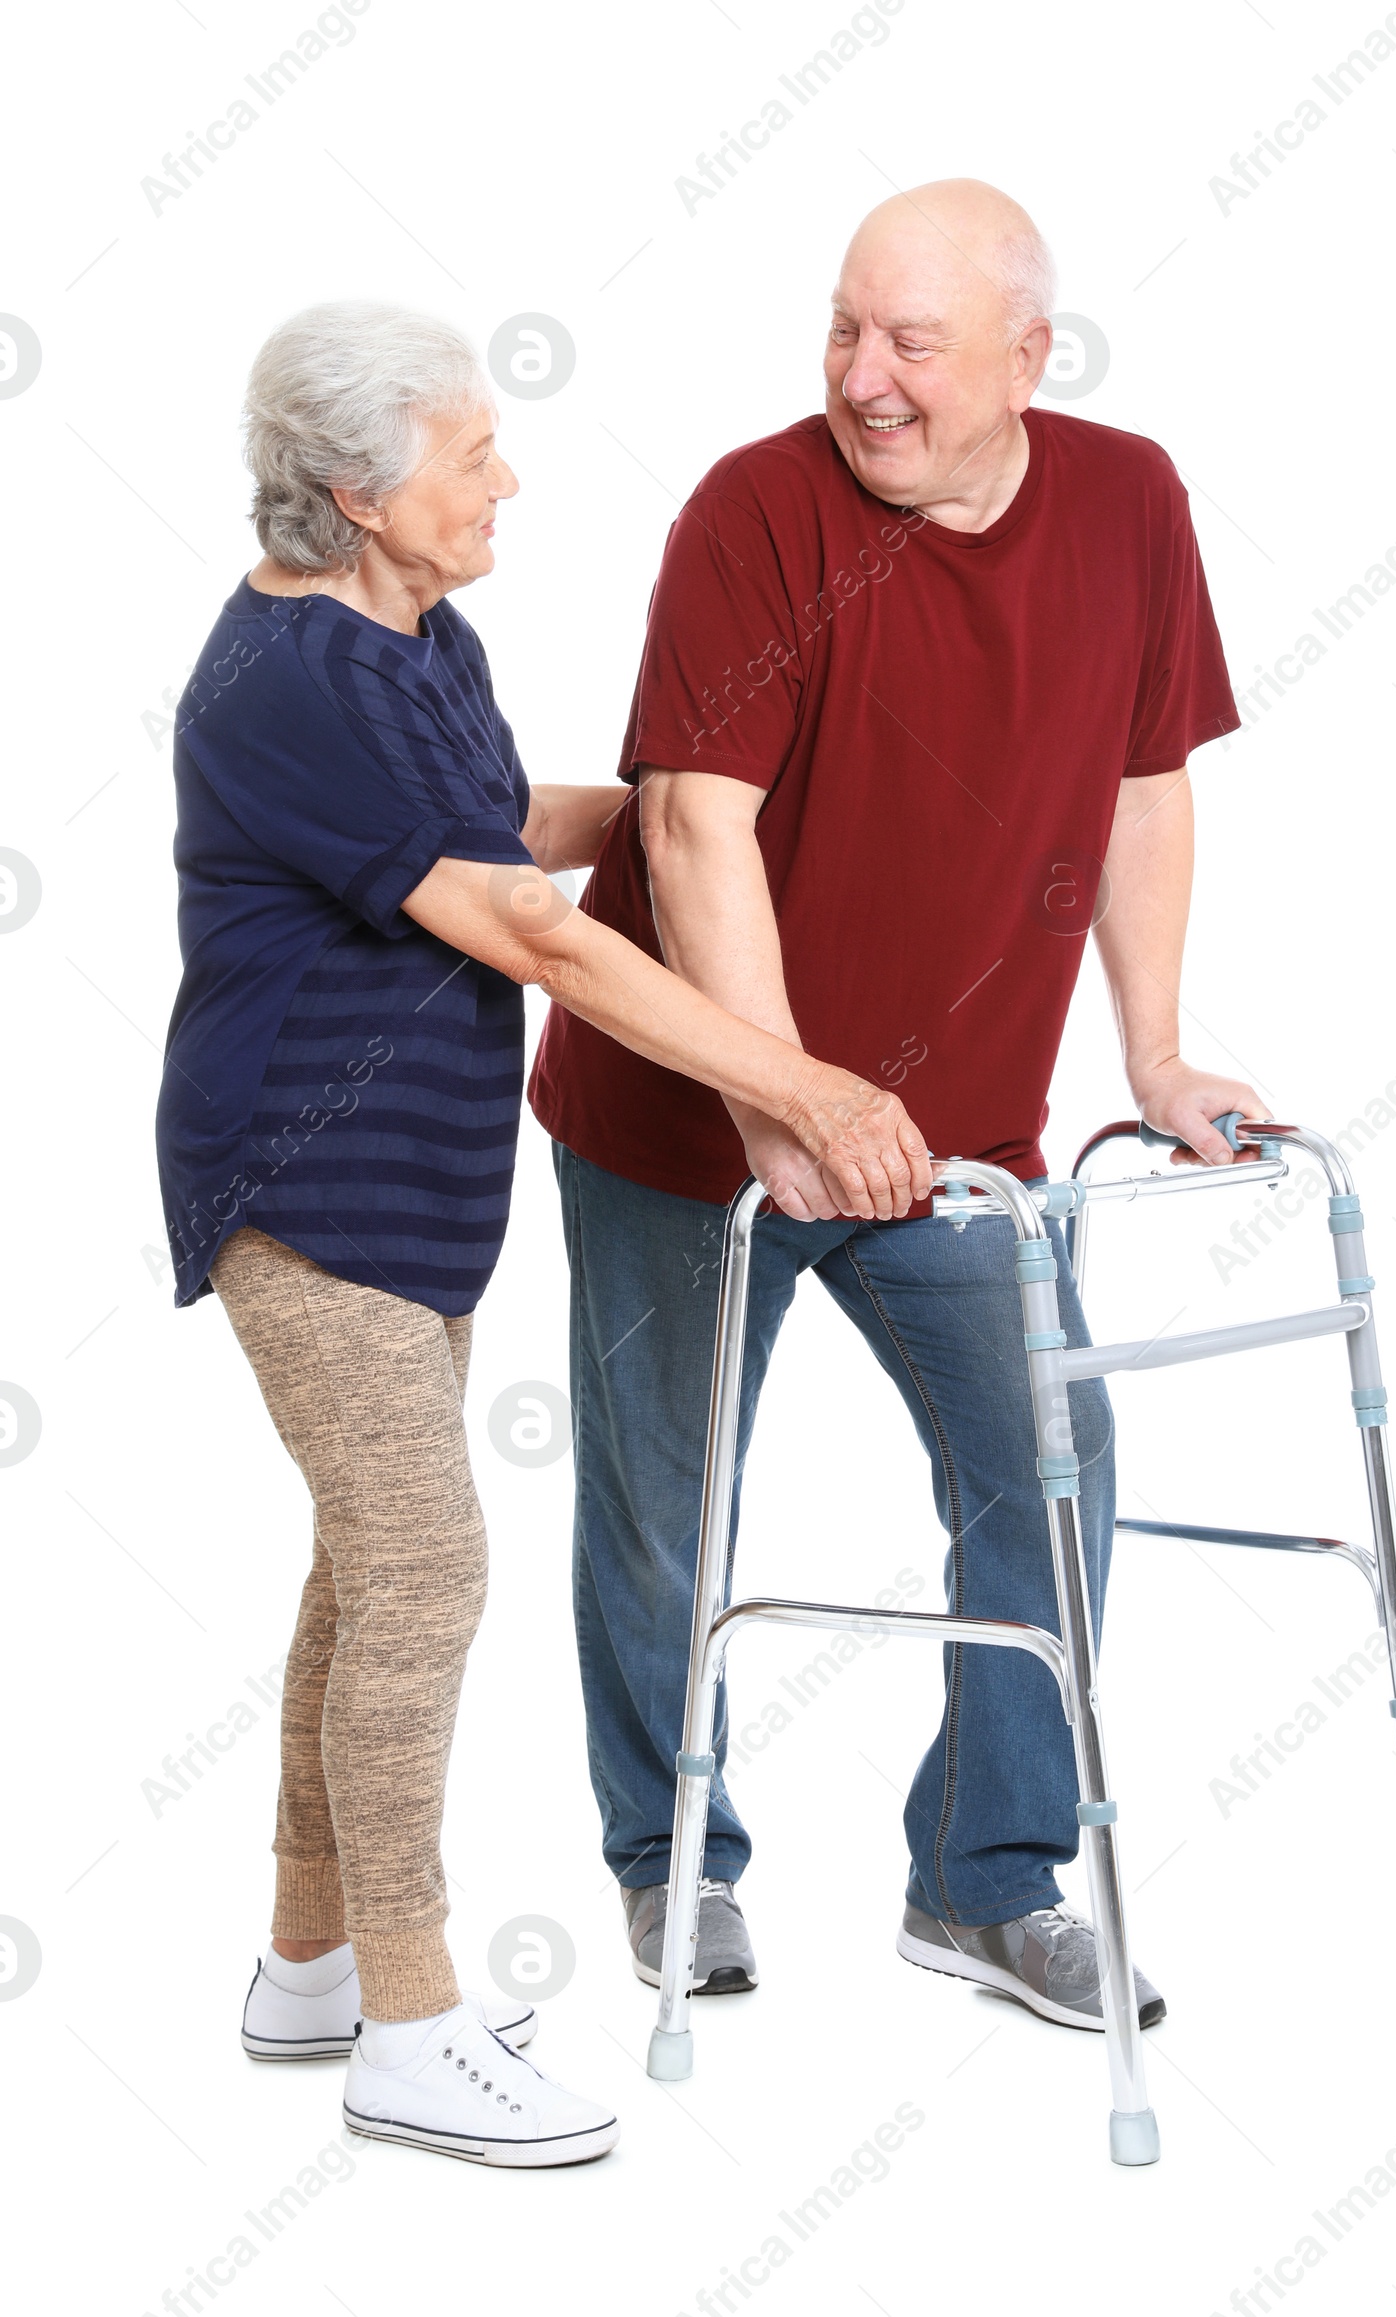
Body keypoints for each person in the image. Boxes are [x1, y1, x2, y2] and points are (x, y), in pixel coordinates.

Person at [156, 301, 928, 2167]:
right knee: (429, 1573)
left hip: (414, 1204)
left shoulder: (421, 636)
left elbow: (511, 821)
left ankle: (309, 1963)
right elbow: (538, 931)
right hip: (301, 1193)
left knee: (365, 1575)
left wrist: (692, 800)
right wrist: (804, 1085)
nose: (508, 473)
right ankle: (410, 2026)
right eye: (469, 449)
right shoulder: (289, 683)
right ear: (358, 490)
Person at [532, 181, 1259, 2028]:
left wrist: (1154, 1055)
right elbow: (696, 821)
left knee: (1049, 1473)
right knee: (663, 1505)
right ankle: (671, 1860)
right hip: (691, 1112)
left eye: (911, 342)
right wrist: (783, 1098)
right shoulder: (753, 512)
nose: (864, 377)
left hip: (957, 1138)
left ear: (1032, 356)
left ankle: (985, 1878)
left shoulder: (1131, 500)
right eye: (843, 328)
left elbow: (1146, 786)